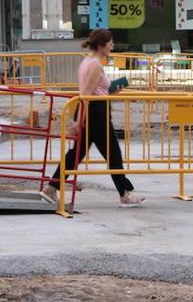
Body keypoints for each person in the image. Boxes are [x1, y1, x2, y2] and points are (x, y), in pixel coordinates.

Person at [45, 29, 144, 207]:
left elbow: (93, 91)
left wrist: (113, 88)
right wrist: (79, 121)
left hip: (92, 111)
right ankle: (125, 194)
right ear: (102, 45)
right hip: (95, 113)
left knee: (76, 154)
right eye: (111, 43)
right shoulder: (95, 65)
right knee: (113, 154)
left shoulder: (88, 61)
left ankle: (52, 187)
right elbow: (86, 95)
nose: (113, 46)